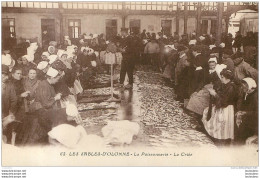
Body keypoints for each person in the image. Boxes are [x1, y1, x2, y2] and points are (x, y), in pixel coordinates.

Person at [202, 69, 237, 146]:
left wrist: (214, 94)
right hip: (222, 107)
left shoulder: (231, 87)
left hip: (226, 109)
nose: (221, 79)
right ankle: (219, 139)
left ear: (228, 78)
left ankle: (222, 142)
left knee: (222, 126)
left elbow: (225, 102)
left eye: (222, 77)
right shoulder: (225, 85)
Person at [235, 78, 258, 144]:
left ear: (250, 86)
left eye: (244, 86)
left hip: (254, 124)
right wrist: (241, 111)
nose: (242, 88)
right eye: (242, 86)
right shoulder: (247, 94)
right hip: (247, 121)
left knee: (242, 139)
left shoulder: (256, 97)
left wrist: (245, 113)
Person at [2, 65, 17, 143]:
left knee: (5, 134)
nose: (6, 77)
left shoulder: (10, 85)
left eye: (6, 75)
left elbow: (14, 100)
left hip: (6, 114)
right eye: (3, 74)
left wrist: (11, 112)